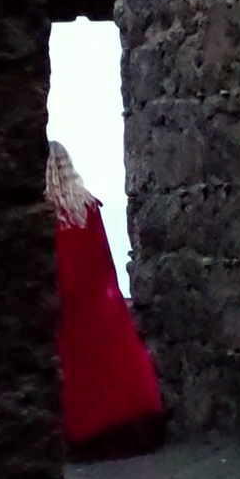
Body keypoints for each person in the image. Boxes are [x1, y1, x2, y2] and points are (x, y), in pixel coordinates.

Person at [46, 140, 165, 461]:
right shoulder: (88, 207)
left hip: (68, 301)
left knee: (78, 368)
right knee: (113, 360)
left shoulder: (47, 216)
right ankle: (133, 418)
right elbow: (103, 257)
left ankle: (86, 431)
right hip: (98, 297)